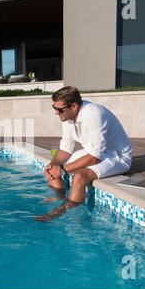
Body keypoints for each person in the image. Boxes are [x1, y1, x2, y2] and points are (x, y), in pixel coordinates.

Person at [36, 86, 132, 221]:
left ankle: (65, 211)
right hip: (93, 152)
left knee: (80, 176)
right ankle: (59, 199)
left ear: (74, 106)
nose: (56, 113)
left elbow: (94, 158)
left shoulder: (94, 114)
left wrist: (62, 170)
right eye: (54, 108)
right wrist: (54, 165)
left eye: (59, 109)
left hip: (117, 156)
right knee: (52, 167)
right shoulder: (67, 117)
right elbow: (65, 149)